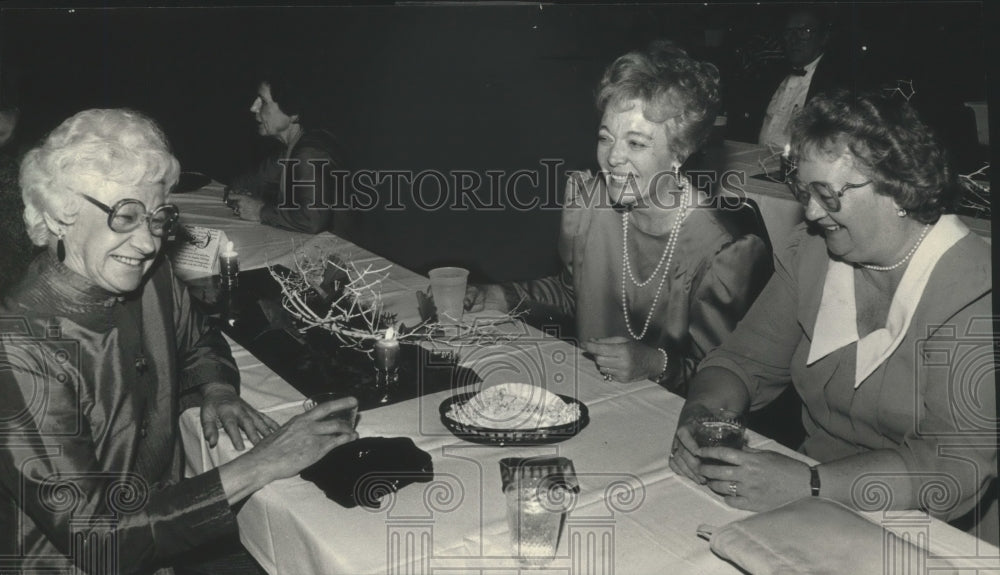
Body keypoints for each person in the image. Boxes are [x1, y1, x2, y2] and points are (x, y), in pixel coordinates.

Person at [0, 109, 359, 574]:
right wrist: (262, 463)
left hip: (161, 543)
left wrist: (217, 388)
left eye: (156, 218)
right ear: (59, 214)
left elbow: (198, 338)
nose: (147, 243)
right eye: (125, 215)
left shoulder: (149, 276)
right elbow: (97, 541)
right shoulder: (20, 347)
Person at [669, 91, 996, 542]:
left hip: (941, 531)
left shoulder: (977, 289)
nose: (810, 212)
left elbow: (954, 465)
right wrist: (700, 417)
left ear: (899, 186)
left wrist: (813, 485)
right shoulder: (814, 254)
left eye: (827, 194)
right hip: (817, 507)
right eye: (804, 191)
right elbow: (741, 363)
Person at [466, 41, 772, 393]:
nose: (612, 158)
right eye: (605, 138)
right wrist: (502, 297)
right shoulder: (588, 204)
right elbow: (571, 295)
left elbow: (738, 380)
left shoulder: (723, 251)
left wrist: (656, 364)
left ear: (681, 152)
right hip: (592, 395)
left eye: (636, 144)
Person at [226, 72, 348, 234]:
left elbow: (312, 219)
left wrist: (260, 211)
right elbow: (250, 181)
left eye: (263, 101)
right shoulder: (292, 148)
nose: (253, 107)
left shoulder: (310, 152)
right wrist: (238, 193)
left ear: (293, 113)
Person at [727, 6, 855, 147]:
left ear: (824, 37)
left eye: (805, 31)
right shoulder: (769, 74)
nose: (794, 39)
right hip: (755, 161)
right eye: (789, 32)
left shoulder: (838, 83)